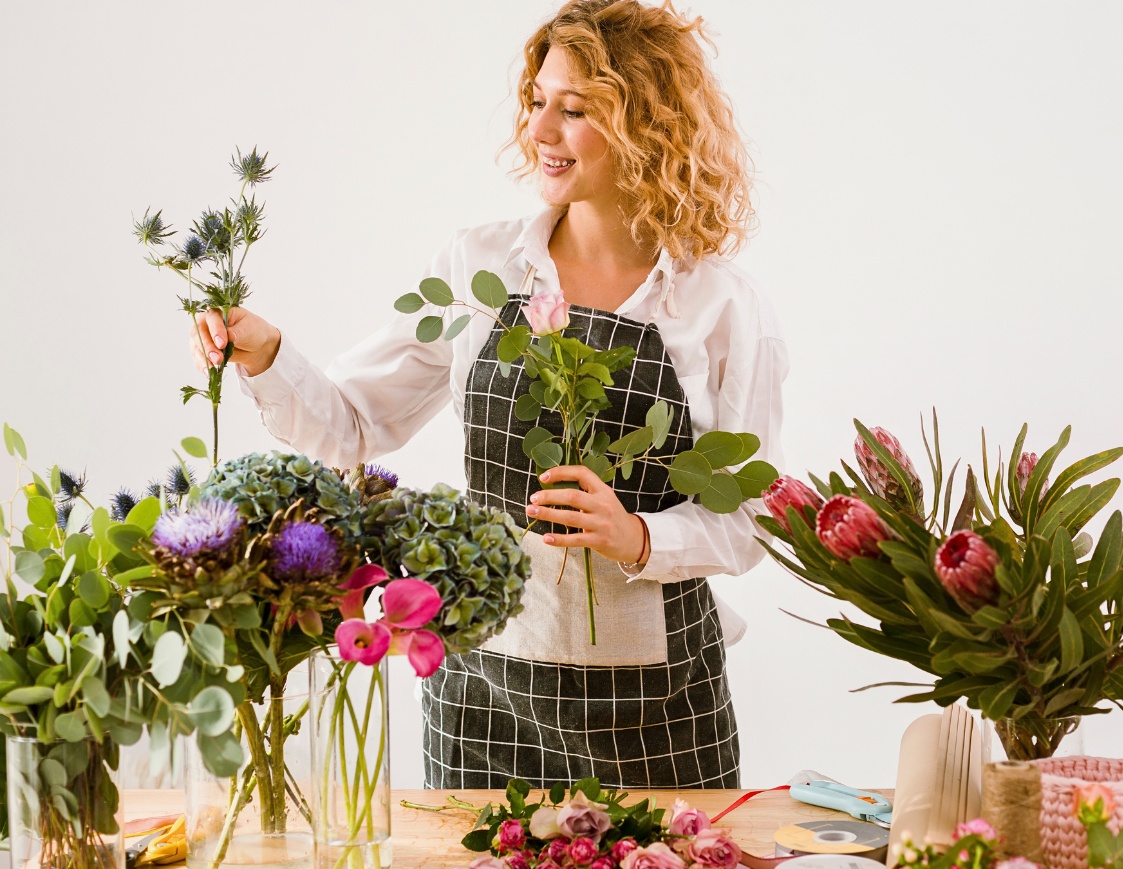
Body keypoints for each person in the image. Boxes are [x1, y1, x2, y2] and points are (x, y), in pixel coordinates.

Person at [191, 0, 788, 790]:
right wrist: (267, 356)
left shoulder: (720, 308)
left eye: (573, 110)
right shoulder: (483, 271)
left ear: (648, 126)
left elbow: (751, 516)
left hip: (660, 698)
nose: (539, 129)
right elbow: (359, 423)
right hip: (485, 690)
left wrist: (638, 537)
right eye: (537, 101)